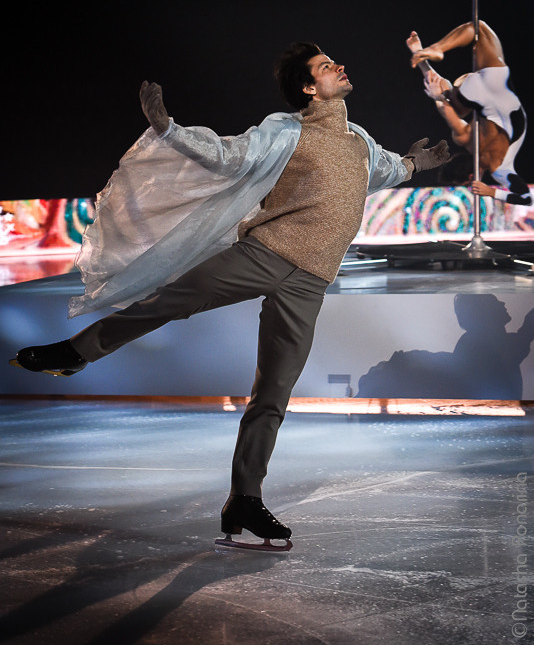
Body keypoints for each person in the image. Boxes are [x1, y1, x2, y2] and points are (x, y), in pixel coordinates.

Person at [10, 42, 449, 550]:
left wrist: (416, 165)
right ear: (310, 87)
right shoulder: (286, 129)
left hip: (311, 283)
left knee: (273, 393)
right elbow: (228, 154)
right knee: (169, 301)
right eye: (327, 66)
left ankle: (245, 498)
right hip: (262, 255)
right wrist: (168, 130)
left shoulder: (359, 141)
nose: (340, 67)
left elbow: (385, 171)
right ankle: (75, 352)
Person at [406, 21, 531, 206]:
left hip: (488, 87)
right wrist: (436, 96)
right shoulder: (464, 140)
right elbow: (443, 106)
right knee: (478, 28)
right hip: (478, 88)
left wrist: (492, 192)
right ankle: (433, 50)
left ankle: (429, 54)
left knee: (449, 102)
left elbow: (527, 199)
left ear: (471, 176)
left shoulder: (500, 169)